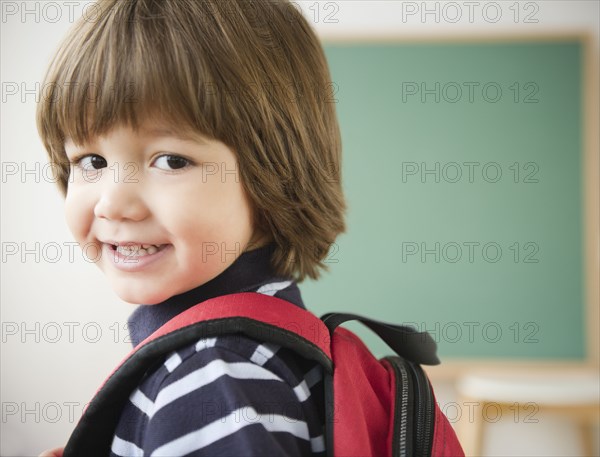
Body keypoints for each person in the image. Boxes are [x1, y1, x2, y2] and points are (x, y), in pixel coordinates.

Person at [36, 0, 347, 455]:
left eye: (171, 160)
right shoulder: (252, 349)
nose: (113, 203)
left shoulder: (211, 377)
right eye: (92, 161)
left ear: (275, 173)